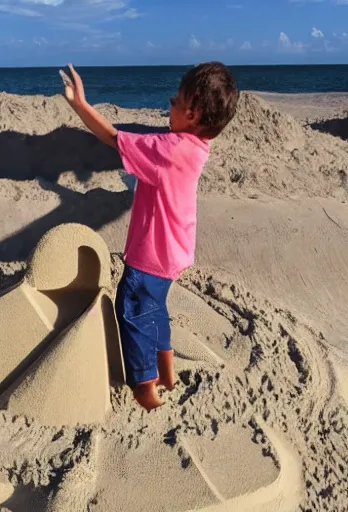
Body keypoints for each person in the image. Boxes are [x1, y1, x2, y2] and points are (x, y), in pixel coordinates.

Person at [60, 62, 239, 411]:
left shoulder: (168, 149)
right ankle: (168, 374)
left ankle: (146, 390)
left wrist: (80, 105)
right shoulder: (198, 146)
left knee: (133, 310)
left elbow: (114, 137)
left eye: (175, 101)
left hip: (152, 255)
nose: (168, 106)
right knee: (155, 310)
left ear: (194, 113)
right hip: (176, 252)